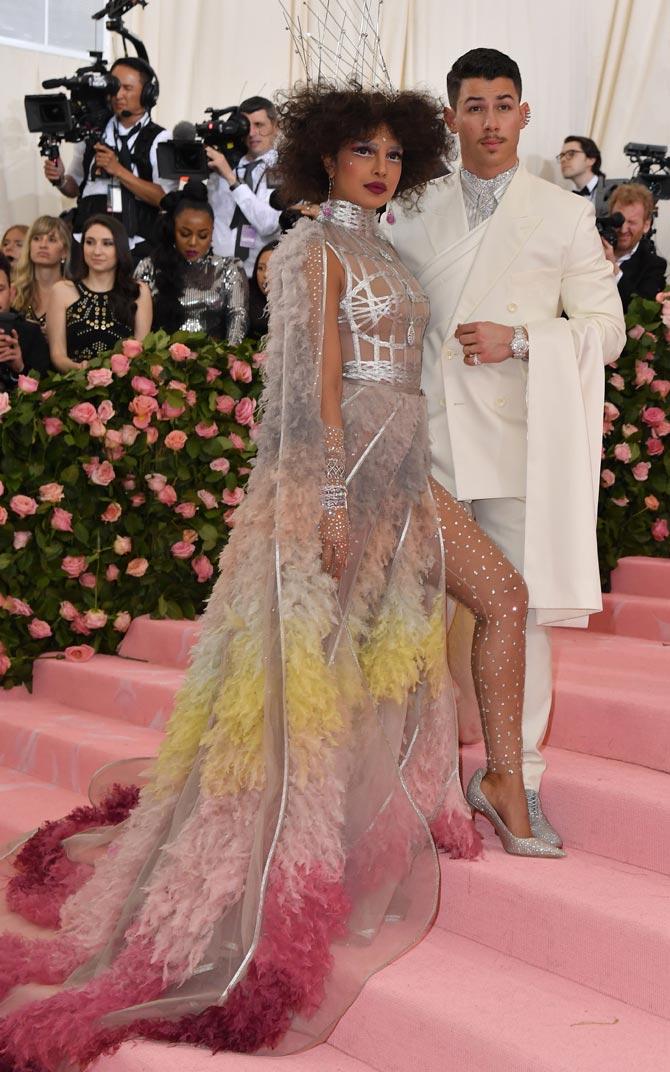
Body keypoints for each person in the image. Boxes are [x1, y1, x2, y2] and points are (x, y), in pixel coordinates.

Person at [0, 81, 564, 1072]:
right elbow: (312, 382)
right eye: (363, 152)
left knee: (498, 599)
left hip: (404, 475)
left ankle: (497, 787)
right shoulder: (311, 249)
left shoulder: (391, 249)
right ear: (324, 159)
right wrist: (333, 501)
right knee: (316, 688)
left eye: (395, 152)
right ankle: (301, 870)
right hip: (337, 483)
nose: (382, 167)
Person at [389, 47, 626, 847]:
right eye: (474, 106)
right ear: (452, 115)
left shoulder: (563, 215)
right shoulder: (410, 206)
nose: (490, 121)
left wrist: (521, 339)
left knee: (517, 616)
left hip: (519, 446)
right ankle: (407, 778)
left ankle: (513, 775)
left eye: (504, 105)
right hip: (424, 446)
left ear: (525, 114)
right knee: (408, 615)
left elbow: (610, 334)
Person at [44, 57, 175, 262]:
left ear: (148, 93)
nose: (118, 95)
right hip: (85, 240)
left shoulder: (161, 139)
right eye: (114, 87)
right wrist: (60, 180)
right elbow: (75, 187)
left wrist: (119, 170)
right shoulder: (90, 131)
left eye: (127, 88)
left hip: (135, 245)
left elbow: (164, 198)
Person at [135, 180, 248, 343]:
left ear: (212, 233)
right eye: (185, 233)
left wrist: (228, 362)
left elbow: (238, 317)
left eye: (202, 235)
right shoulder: (149, 267)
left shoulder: (229, 268)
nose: (193, 242)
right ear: (173, 229)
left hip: (216, 362)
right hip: (160, 362)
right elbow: (137, 329)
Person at [47, 214, 152, 371]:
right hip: (73, 387)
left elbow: (142, 352)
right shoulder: (62, 290)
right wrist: (83, 371)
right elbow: (57, 355)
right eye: (90, 242)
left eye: (107, 244)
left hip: (123, 389)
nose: (97, 251)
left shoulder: (138, 291)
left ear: (120, 247)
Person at [207, 95, 282, 276]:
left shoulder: (283, 169)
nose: (252, 133)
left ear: (275, 127)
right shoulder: (225, 165)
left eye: (259, 125)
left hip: (258, 277)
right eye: (246, 126)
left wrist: (231, 179)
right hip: (217, 272)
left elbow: (268, 224)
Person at [600, 182, 668, 311]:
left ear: (646, 225)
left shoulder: (654, 265)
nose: (623, 229)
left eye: (631, 222)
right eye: (618, 219)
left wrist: (613, 268)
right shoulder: (593, 248)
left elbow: (640, 311)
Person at [11, 215, 71, 332]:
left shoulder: (74, 293)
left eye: (51, 240)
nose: (43, 245)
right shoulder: (15, 291)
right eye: (36, 238)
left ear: (64, 252)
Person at [0, 253, 50, 390]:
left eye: (0, 289)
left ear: (12, 293)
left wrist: (20, 368)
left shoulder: (30, 332)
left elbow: (46, 394)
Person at [557, 134, 608, 213]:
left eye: (571, 153)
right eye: (562, 155)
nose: (563, 159)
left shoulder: (612, 192)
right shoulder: (568, 198)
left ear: (591, 159)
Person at [246, 239, 278, 340]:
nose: (265, 275)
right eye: (260, 268)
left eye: (271, 268)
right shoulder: (246, 296)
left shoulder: (295, 304)